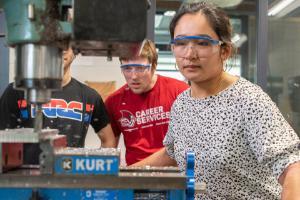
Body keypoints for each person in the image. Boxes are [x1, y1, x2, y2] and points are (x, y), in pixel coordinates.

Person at [132, 2, 300, 200]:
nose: (189, 54)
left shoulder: (248, 100)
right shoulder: (182, 103)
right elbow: (172, 153)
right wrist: (118, 173)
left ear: (224, 51)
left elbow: (292, 168)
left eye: (202, 43)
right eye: (181, 43)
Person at [0, 47, 116, 164]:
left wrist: (94, 168)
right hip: (27, 177)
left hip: (71, 176)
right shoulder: (16, 91)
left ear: (74, 52)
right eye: (53, 46)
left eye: (65, 46)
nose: (59, 51)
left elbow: (109, 140)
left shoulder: (89, 96)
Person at [104, 39, 189, 165]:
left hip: (174, 174)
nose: (133, 76)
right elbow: (109, 147)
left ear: (154, 66)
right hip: (136, 179)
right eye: (127, 68)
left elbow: (187, 147)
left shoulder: (180, 92)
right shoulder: (113, 102)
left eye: (140, 68)